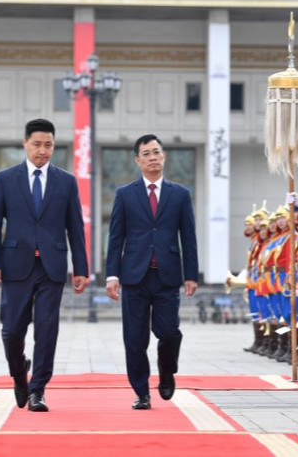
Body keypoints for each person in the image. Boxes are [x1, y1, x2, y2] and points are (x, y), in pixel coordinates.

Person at [0, 118, 88, 412]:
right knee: (12, 330)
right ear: (25, 143)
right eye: (37, 144)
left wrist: (81, 268)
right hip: (15, 265)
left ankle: (38, 389)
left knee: (47, 329)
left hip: (52, 267)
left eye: (49, 145)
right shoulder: (5, 179)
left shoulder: (66, 181)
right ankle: (20, 372)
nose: (43, 151)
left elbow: (75, 228)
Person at [105, 134, 198, 411]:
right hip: (134, 277)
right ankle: (142, 392)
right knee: (135, 339)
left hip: (167, 276)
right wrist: (112, 275)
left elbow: (188, 236)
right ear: (138, 160)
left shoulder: (180, 194)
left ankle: (167, 371)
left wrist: (191, 274)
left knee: (169, 333)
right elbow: (115, 237)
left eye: (156, 152)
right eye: (146, 153)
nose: (153, 157)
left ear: (164, 156)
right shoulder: (125, 194)